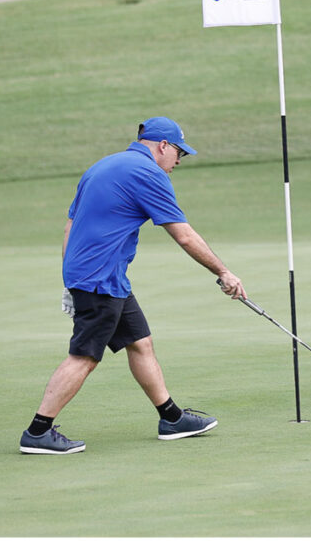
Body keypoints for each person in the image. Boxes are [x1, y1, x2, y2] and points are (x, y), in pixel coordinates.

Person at [19, 117, 246, 455]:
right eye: (179, 153)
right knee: (84, 357)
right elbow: (183, 234)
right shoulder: (148, 174)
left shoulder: (102, 166)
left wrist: (70, 278)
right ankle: (38, 431)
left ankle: (171, 418)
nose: (178, 162)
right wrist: (224, 272)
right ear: (163, 145)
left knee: (140, 342)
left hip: (102, 276)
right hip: (99, 278)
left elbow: (71, 225)